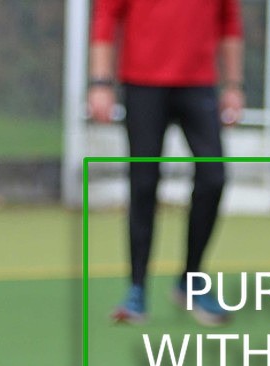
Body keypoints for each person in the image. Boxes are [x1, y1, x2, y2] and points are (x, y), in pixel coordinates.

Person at [87, 0, 245, 326]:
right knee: (143, 183)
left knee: (213, 177)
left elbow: (229, 23)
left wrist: (233, 86)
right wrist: (100, 83)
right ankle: (136, 291)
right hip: (142, 85)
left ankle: (191, 280)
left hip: (199, 84)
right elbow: (106, 16)